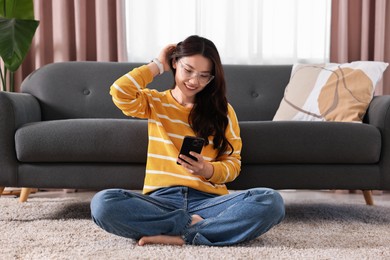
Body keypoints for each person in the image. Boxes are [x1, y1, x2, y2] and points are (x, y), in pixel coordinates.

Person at [90, 35, 285, 246]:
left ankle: (182, 235)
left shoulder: (224, 112)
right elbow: (120, 92)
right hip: (160, 201)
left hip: (209, 201)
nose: (194, 81)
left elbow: (233, 164)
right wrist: (157, 65)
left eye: (204, 76)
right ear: (175, 63)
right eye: (188, 70)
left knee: (270, 201)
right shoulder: (154, 102)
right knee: (103, 203)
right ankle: (194, 227)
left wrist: (207, 170)